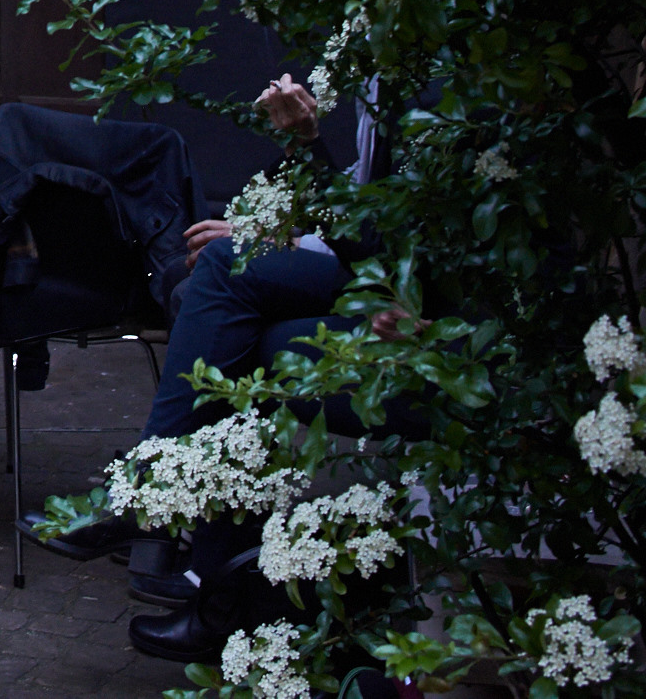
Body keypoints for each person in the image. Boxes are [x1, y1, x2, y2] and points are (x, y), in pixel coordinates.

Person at [39, 71, 401, 660]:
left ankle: (156, 503)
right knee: (204, 280)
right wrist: (276, 231)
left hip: (406, 297)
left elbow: (384, 245)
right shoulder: (377, 70)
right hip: (365, 263)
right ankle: (214, 580)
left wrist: (304, 156)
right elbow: (366, 210)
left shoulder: (426, 78)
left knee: (227, 283)